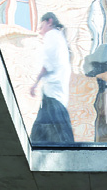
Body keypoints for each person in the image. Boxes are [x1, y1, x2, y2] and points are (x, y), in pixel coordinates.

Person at [30, 12, 75, 145]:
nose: (40, 30)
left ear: (49, 21)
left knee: (48, 132)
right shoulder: (60, 38)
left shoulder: (51, 36)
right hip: (57, 93)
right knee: (47, 130)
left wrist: (35, 84)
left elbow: (47, 65)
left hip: (52, 92)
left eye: (42, 25)